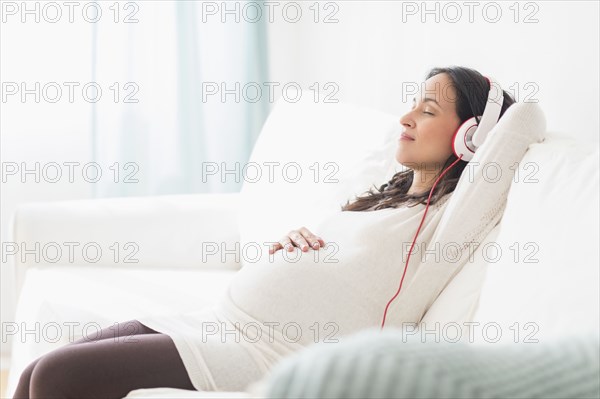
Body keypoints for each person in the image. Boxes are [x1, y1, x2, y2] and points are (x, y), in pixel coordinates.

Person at [14, 66, 536, 399]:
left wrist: (493, 115)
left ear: (472, 137)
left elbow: (525, 123)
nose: (405, 117)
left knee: (60, 379)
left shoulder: (448, 217)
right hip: (219, 320)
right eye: (413, 103)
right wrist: (291, 248)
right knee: (34, 372)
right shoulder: (389, 193)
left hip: (261, 352)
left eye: (427, 110)